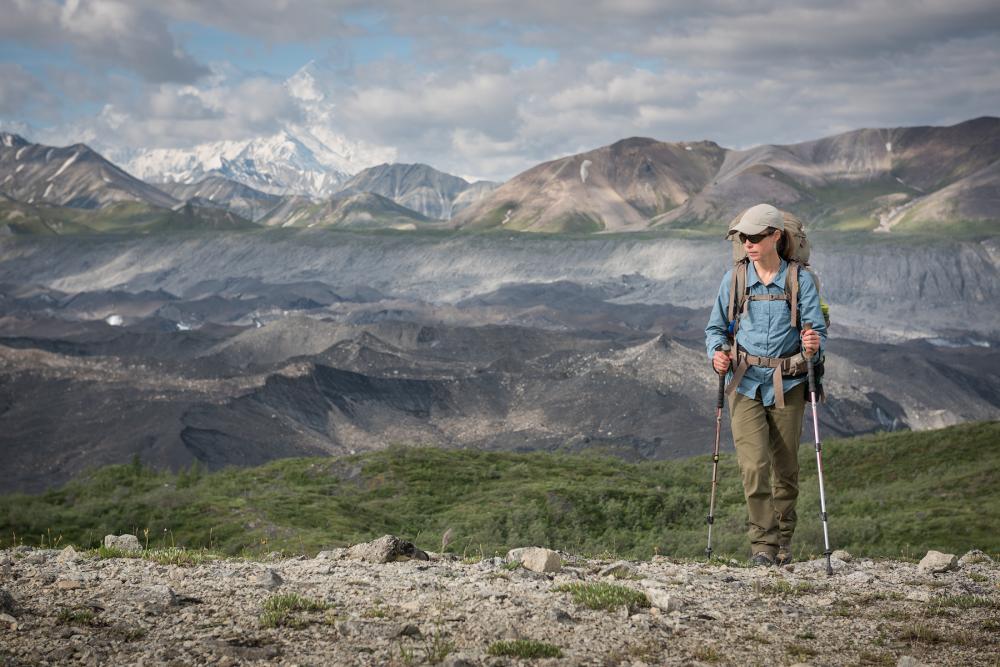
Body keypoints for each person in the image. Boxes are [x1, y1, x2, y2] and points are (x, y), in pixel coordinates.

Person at [704, 203, 826, 567]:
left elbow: (816, 331)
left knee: (786, 468)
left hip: (789, 384)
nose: (748, 243)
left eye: (756, 236)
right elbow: (715, 330)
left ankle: (784, 540)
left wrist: (812, 347)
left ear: (776, 236)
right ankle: (764, 546)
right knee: (754, 467)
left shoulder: (799, 280)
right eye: (743, 237)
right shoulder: (735, 279)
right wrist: (717, 355)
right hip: (744, 383)